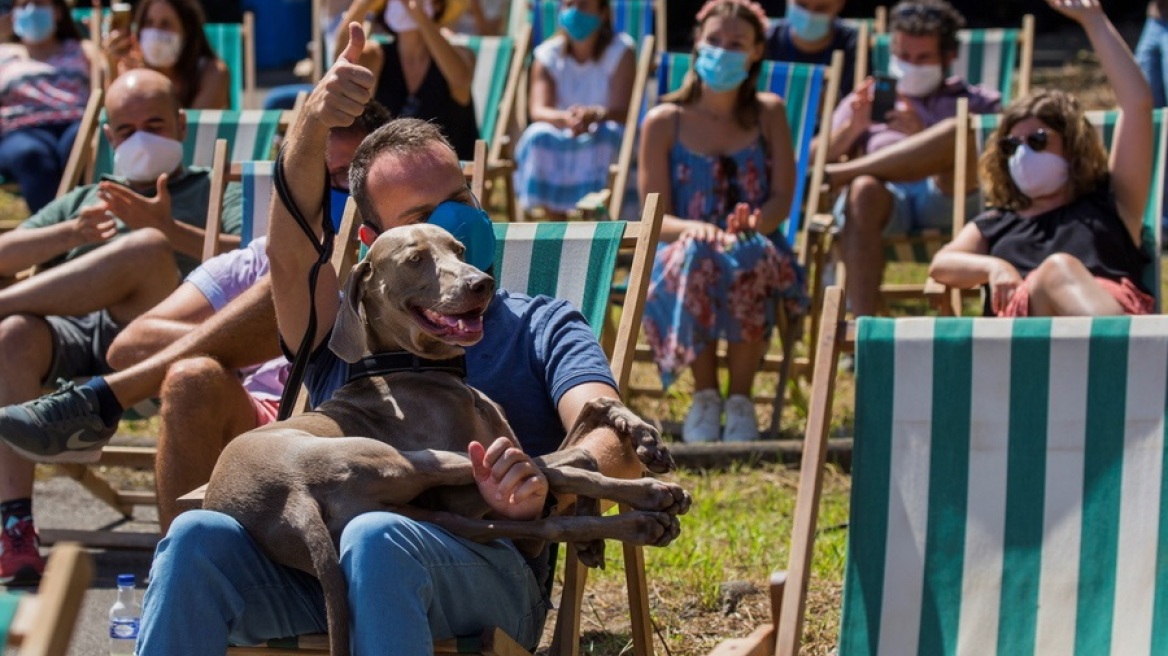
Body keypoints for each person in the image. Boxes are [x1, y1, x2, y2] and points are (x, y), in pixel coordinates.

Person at [136, 24, 645, 654]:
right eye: (418, 223)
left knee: (378, 536)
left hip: (484, 566)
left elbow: (616, 439)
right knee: (195, 540)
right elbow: (293, 258)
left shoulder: (544, 322)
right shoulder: (342, 330)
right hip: (319, 572)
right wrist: (312, 122)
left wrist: (544, 481)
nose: (447, 231)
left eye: (459, 200)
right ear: (376, 254)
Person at [0, 69, 241, 584]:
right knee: (12, 336)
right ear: (109, 138)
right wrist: (72, 231)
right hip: (75, 337)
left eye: (154, 124)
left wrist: (169, 229)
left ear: (180, 125)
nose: (140, 139)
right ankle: (15, 525)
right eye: (126, 130)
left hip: (158, 348)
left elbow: (257, 265)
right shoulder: (88, 198)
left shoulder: (218, 188)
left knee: (147, 248)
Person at [638, 0, 807, 444]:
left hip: (756, 240)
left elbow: (782, 202)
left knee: (749, 252)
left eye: (737, 43)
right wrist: (697, 229)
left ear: (755, 53)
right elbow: (654, 215)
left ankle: (741, 400)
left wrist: (754, 221)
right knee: (697, 254)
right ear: (697, 42)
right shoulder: (663, 121)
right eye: (714, 40)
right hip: (682, 245)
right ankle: (706, 395)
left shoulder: (769, 112)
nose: (723, 51)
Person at [929, 0, 1154, 317]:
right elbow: (941, 264)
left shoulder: (1111, 204)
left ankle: (1111, 353)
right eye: (1010, 146)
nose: (1022, 153)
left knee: (1058, 270)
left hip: (1104, 309)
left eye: (1037, 140)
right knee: (1054, 271)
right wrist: (993, 267)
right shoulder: (997, 223)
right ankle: (1118, 359)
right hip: (1027, 337)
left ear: (1073, 145)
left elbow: (1137, 106)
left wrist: (1095, 21)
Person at [825, 0, 999, 318]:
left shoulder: (978, 101)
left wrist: (923, 134)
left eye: (923, 58)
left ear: (949, 57)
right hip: (890, 202)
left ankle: (843, 173)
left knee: (959, 132)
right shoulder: (867, 99)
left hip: (954, 200)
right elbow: (813, 159)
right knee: (862, 188)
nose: (910, 65)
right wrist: (853, 129)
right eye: (903, 57)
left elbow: (1002, 156)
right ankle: (864, 331)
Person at [513, 0, 635, 220]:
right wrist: (569, 119)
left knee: (608, 137)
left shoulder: (622, 51)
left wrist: (595, 115)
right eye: (569, 4)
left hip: (602, 128)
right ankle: (557, 227)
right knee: (538, 135)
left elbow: (624, 110)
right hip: (562, 129)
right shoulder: (546, 54)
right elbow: (538, 110)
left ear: (603, 12)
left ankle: (598, 226)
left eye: (584, 5)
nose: (575, 12)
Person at [335, 0, 478, 160]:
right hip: (395, 174)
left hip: (449, 173)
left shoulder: (459, 54)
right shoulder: (377, 56)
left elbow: (461, 79)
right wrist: (362, 5)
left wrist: (420, 16)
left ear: (438, 5)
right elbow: (341, 63)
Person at [0, 0, 96, 213]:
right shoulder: (4, 55)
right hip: (21, 131)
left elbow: (102, 86)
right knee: (30, 154)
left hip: (75, 123)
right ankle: (56, 233)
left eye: (40, 3)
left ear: (58, 12)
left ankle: (83, 221)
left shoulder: (83, 50)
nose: (31, 10)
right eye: (24, 4)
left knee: (80, 146)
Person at [103, 0, 230, 109]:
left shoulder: (213, 73)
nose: (155, 32)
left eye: (166, 24)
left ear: (187, 31)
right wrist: (112, 66)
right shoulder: (131, 72)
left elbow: (187, 129)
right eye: (149, 23)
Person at [765, 0, 858, 98]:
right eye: (802, 5)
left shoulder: (854, 44)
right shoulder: (766, 38)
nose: (809, 14)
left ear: (840, 4)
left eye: (821, 8)